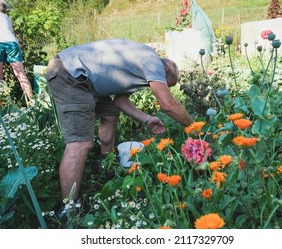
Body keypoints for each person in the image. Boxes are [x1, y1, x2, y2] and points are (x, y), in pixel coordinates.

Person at [45, 38, 194, 202]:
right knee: (79, 143)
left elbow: (120, 101)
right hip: (70, 74)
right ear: (165, 68)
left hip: (87, 82)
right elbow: (168, 105)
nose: (159, 86)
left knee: (110, 112)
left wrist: (147, 119)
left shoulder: (141, 67)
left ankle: (105, 166)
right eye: (165, 83)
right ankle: (68, 209)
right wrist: (194, 127)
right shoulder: (152, 62)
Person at [0, 0, 33, 100]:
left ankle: (1, 103)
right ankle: (32, 102)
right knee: (21, 74)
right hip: (11, 43)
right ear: (4, 10)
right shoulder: (7, 18)